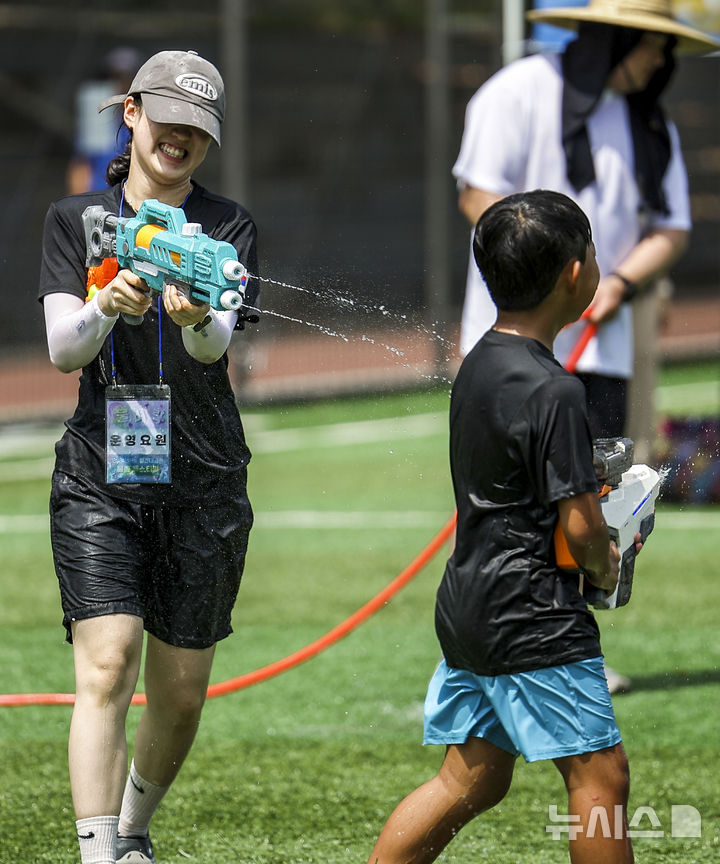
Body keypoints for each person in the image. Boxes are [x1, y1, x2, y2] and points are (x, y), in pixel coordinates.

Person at [366, 190, 643, 864]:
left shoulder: (480, 362)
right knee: (600, 779)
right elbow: (580, 530)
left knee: (473, 777)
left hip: (469, 606)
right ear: (576, 274)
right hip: (533, 611)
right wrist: (609, 561)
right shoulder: (557, 390)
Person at [38, 50, 259, 864]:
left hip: (204, 478)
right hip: (101, 471)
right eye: (168, 121)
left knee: (182, 694)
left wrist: (197, 313)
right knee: (107, 663)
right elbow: (64, 350)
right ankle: (101, 856)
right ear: (130, 114)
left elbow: (215, 346)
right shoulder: (76, 220)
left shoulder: (227, 228)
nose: (181, 139)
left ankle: (132, 831)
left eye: (198, 130)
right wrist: (106, 302)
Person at [454, 0, 719, 439]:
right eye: (653, 44)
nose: (660, 59)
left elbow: (671, 229)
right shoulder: (518, 90)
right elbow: (476, 195)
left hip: (603, 346)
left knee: (601, 491)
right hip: (509, 342)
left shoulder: (651, 122)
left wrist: (617, 283)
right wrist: (547, 272)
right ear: (617, 41)